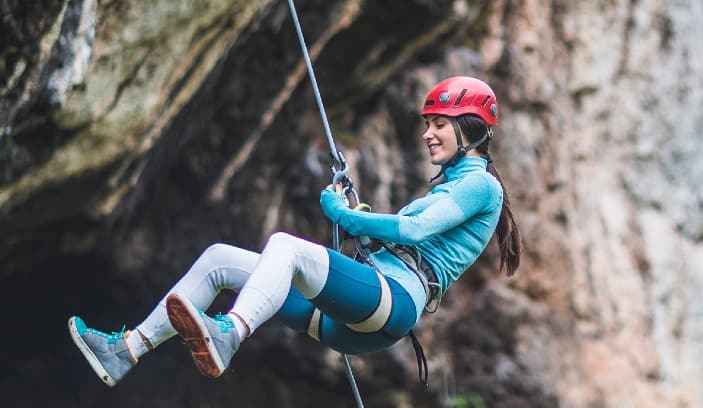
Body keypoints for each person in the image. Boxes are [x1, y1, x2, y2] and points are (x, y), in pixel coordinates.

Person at [68, 76, 522, 387]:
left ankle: (230, 332)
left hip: (395, 302)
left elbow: (417, 229)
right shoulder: (453, 186)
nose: (428, 133)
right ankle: (125, 350)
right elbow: (405, 237)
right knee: (218, 260)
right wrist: (354, 218)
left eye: (439, 124)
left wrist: (345, 217)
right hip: (356, 313)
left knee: (285, 248)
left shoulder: (480, 184)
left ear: (470, 129)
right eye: (427, 124)